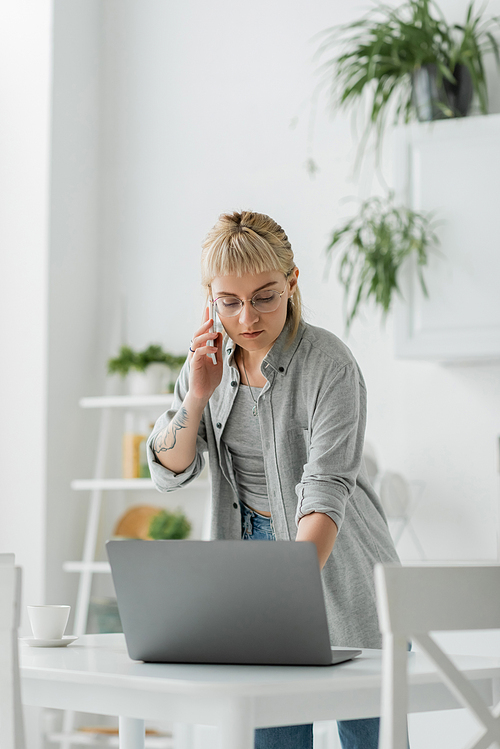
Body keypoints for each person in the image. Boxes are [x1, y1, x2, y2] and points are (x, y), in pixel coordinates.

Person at [147, 210, 400, 749]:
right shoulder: (205, 368)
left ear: (292, 282)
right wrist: (196, 394)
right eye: (229, 302)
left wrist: (280, 592)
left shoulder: (329, 364)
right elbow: (168, 471)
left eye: (265, 296)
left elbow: (326, 489)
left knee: (368, 738)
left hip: (339, 565)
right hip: (254, 566)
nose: (247, 317)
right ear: (209, 301)